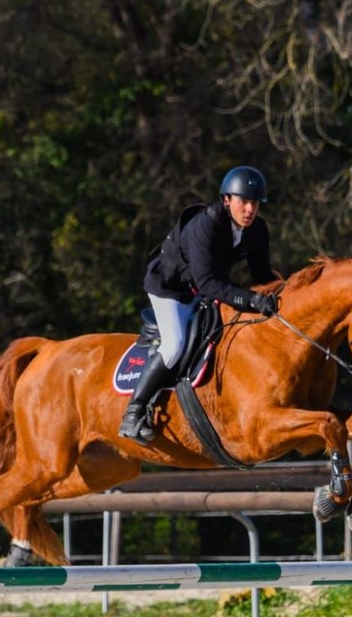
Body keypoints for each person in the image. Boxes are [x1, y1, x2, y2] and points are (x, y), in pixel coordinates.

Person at [119, 165, 281, 443]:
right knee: (175, 344)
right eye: (244, 201)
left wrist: (281, 297)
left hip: (200, 291)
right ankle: (133, 413)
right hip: (169, 288)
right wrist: (250, 300)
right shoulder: (205, 226)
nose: (250, 210)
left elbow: (263, 276)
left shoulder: (257, 230)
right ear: (227, 200)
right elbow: (208, 283)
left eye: (255, 203)